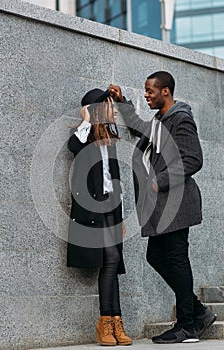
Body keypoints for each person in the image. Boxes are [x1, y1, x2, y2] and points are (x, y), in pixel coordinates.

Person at [109, 71, 217, 344]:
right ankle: (198, 312)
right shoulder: (159, 121)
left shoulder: (180, 119)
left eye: (150, 91)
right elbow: (137, 127)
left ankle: (187, 326)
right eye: (145, 91)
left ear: (165, 92)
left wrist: (160, 180)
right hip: (161, 207)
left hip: (176, 204)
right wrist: (122, 101)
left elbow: (194, 159)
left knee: (177, 259)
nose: (146, 95)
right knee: (156, 257)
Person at [67, 88, 132, 346]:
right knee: (111, 259)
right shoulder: (85, 138)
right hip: (92, 209)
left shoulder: (108, 140)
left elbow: (115, 182)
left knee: (112, 264)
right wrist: (85, 118)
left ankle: (115, 322)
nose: (114, 110)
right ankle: (106, 322)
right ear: (97, 110)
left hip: (110, 208)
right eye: (109, 106)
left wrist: (122, 215)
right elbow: (73, 146)